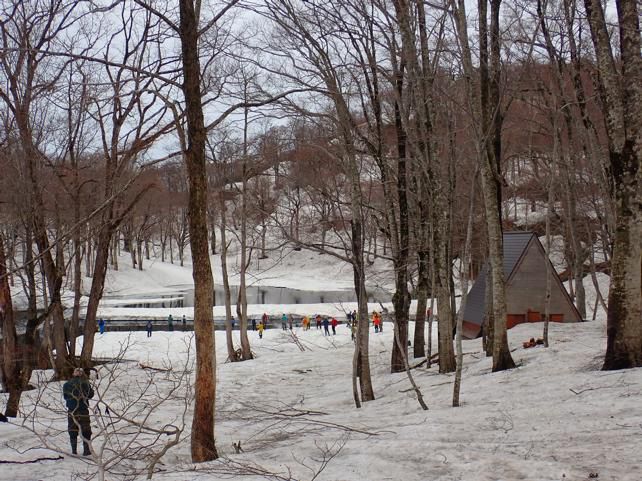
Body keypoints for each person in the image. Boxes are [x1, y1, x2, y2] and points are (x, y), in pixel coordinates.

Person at [63, 368, 94, 456]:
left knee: (72, 429)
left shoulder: (66, 384)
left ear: (73, 374)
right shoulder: (85, 383)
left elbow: (65, 397)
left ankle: (74, 451)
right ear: (82, 374)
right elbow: (90, 395)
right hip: (83, 410)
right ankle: (86, 450)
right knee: (86, 430)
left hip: (72, 410)